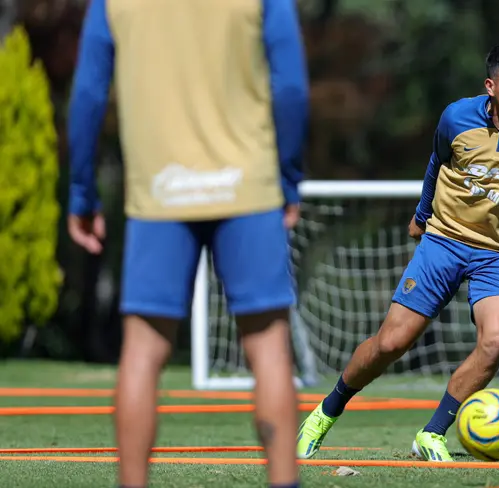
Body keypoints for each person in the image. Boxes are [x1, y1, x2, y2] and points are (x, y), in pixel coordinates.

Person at [296, 40, 499, 462]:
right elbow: (437, 163)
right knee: (391, 344)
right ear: (490, 86)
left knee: (498, 338)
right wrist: (422, 213)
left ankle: (432, 433)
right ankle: (325, 411)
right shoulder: (455, 118)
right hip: (444, 242)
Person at [67, 1, 308, 487]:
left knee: (142, 351)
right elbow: (291, 87)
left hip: (160, 191)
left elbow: (89, 93)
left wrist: (81, 191)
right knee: (268, 350)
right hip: (247, 186)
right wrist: (287, 177)